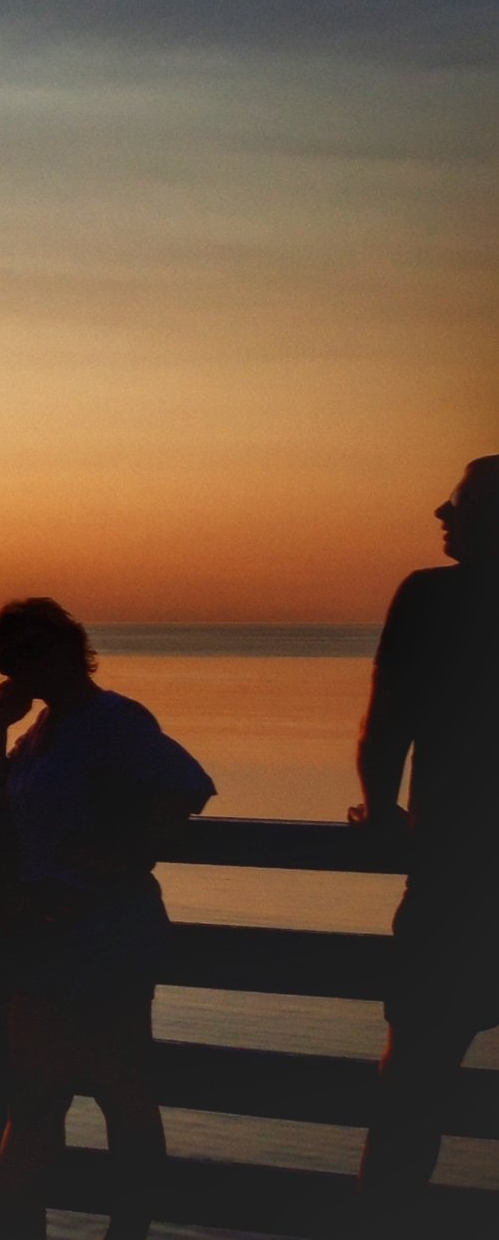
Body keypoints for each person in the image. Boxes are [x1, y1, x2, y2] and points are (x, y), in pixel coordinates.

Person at [0, 598, 214, 1240]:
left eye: (26, 657)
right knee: (35, 1095)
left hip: (108, 929)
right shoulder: (41, 728)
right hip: (44, 932)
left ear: (65, 648)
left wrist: (113, 863)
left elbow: (188, 788)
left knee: (121, 1087)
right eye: (5, 664)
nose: (16, 673)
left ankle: (128, 1229)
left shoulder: (113, 719)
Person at [352, 456, 499, 1228]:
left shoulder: (430, 598)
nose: (439, 513)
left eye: (459, 504)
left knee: (411, 1087)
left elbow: (389, 723)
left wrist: (379, 810)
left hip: (454, 880)